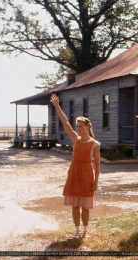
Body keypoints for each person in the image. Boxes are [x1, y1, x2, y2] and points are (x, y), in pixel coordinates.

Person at [50, 93, 100, 238]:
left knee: (85, 205)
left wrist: (96, 182)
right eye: (77, 126)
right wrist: (57, 106)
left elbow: (97, 165)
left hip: (86, 175)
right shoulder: (75, 139)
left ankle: (85, 231)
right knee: (75, 204)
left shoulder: (95, 144)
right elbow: (65, 122)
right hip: (74, 173)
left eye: (81, 126)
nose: (78, 128)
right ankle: (77, 231)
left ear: (87, 126)